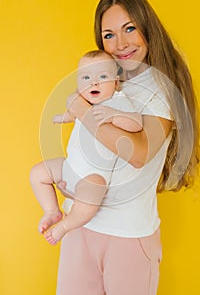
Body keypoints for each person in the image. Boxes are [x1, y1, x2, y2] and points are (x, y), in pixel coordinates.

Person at [55, 0, 200, 295]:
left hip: (127, 236)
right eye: (109, 35)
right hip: (81, 225)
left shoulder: (161, 88)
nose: (120, 44)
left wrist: (80, 110)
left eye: (130, 28)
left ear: (148, 28)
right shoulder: (105, 79)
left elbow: (138, 153)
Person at [30, 49, 142, 245]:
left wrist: (114, 115)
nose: (94, 82)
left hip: (94, 174)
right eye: (86, 77)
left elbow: (137, 123)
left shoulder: (118, 102)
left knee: (89, 200)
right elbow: (75, 113)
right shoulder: (84, 101)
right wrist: (67, 117)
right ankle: (52, 211)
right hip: (70, 166)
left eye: (103, 76)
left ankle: (65, 226)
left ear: (116, 82)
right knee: (38, 173)